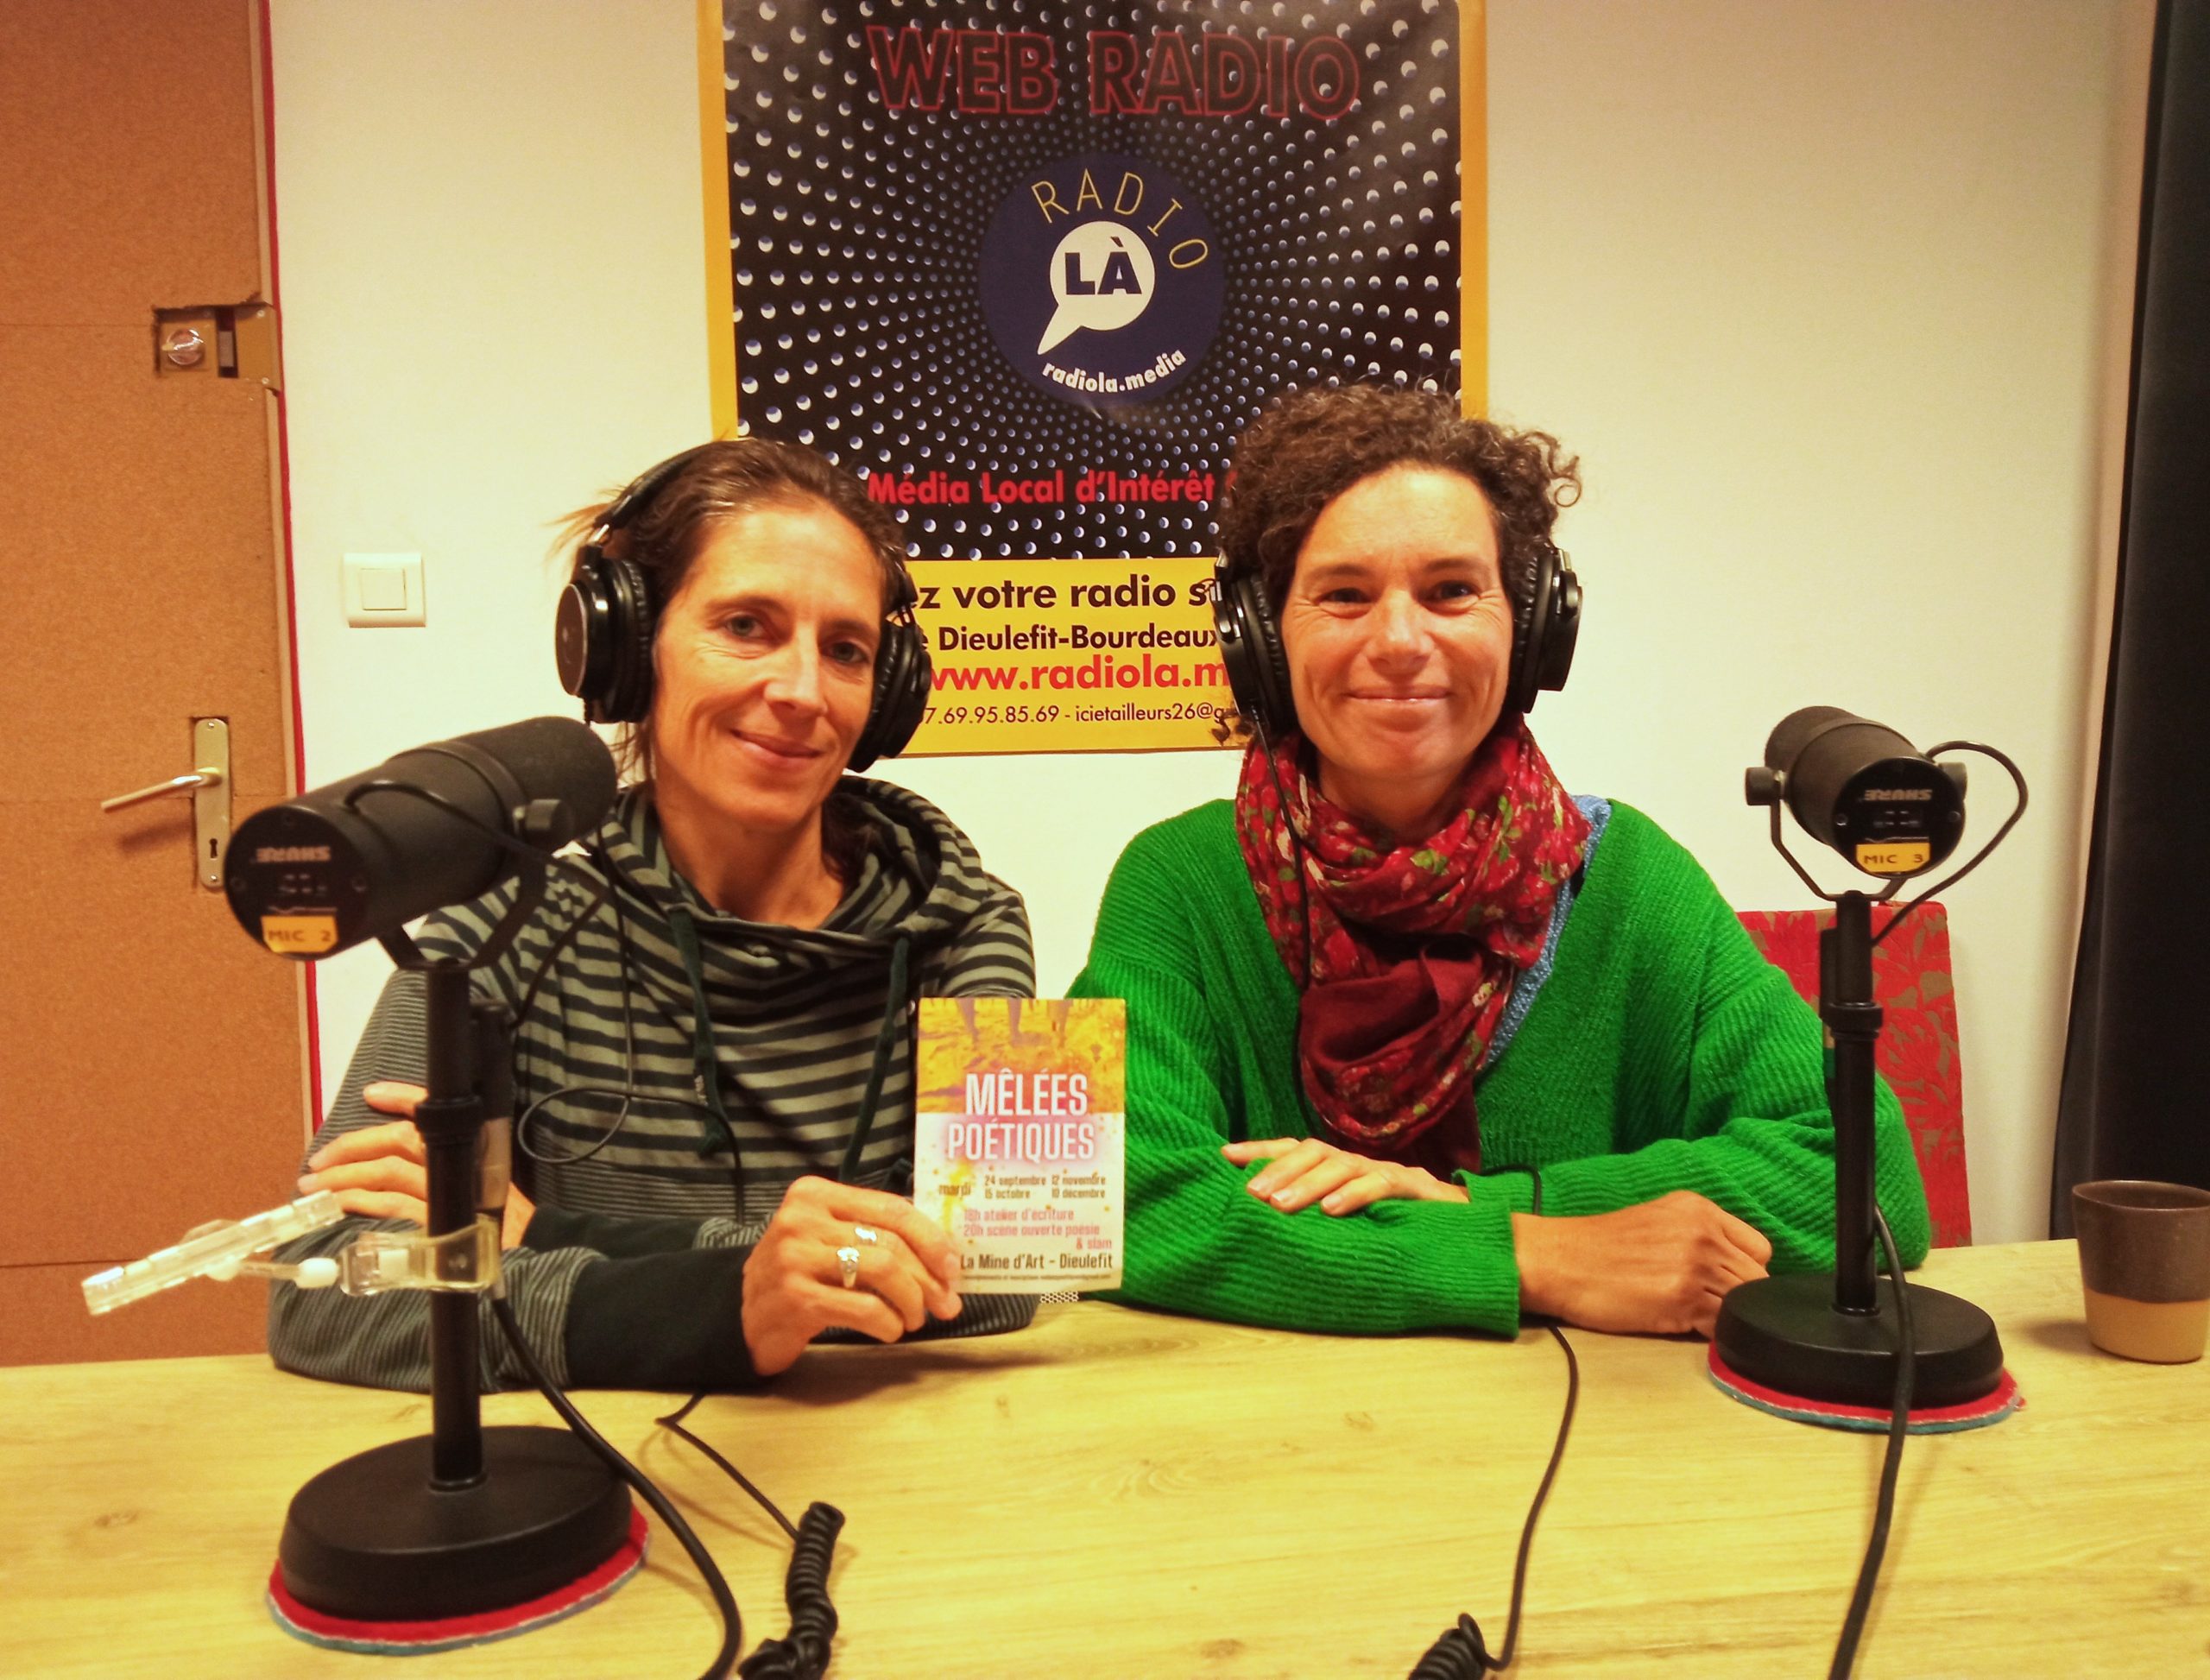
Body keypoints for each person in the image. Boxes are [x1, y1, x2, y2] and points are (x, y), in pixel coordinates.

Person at [1070, 384, 1929, 1340]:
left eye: (1449, 591)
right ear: (1261, 637)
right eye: (1344, 594)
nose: (1399, 642)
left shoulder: (1632, 879)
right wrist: (1533, 1251)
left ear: (1530, 626)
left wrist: (1489, 1200)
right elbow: (1110, 1205)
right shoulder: (1177, 882)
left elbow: (1866, 1181)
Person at [269, 439, 1035, 1391]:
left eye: (846, 649)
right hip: (613, 1472)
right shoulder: (502, 926)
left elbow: (1014, 1274)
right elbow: (324, 1285)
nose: (801, 691)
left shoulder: (965, 922)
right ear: (630, 650)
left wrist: (552, 1232)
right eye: (747, 625)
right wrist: (728, 1294)